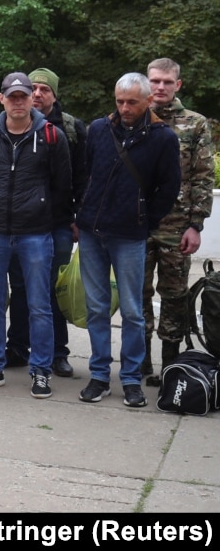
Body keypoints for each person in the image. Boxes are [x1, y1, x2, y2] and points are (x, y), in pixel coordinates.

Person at [0, 72, 72, 399]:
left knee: (40, 304)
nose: (19, 101)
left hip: (36, 235)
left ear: (31, 99)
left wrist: (44, 215)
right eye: (12, 96)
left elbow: (62, 187)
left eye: (23, 96)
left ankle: (40, 371)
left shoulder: (52, 137)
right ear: (2, 99)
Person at [76, 72, 181, 408]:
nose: (124, 108)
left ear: (148, 101)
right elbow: (85, 172)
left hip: (130, 235)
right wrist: (82, 210)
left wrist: (144, 219)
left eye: (132, 102)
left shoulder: (163, 138)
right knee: (96, 308)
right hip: (92, 232)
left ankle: (132, 379)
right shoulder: (98, 129)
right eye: (119, 101)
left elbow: (169, 187)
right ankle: (99, 375)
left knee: (134, 312)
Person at [2, 68, 89, 377]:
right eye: (33, 88)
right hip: (21, 224)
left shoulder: (72, 129)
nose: (37, 94)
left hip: (58, 223)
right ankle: (17, 347)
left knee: (52, 289)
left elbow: (82, 178)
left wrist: (78, 217)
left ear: (54, 94)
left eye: (44, 89)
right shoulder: (7, 125)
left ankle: (56, 352)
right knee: (22, 287)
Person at [142, 58, 215, 385]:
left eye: (166, 82)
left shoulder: (195, 124)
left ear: (178, 85)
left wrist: (195, 225)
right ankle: (139, 362)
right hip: (137, 225)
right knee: (136, 295)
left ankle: (171, 365)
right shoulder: (134, 117)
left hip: (176, 227)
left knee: (174, 296)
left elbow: (203, 177)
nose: (160, 87)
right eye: (154, 81)